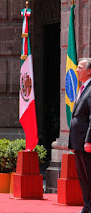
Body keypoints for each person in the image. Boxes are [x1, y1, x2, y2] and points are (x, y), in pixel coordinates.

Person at [68, 58, 91, 213]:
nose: (77, 70)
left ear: (89, 71)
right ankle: (87, 205)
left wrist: (89, 140)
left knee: (89, 175)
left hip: (86, 142)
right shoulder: (81, 88)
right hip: (77, 141)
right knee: (82, 177)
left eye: (80, 67)